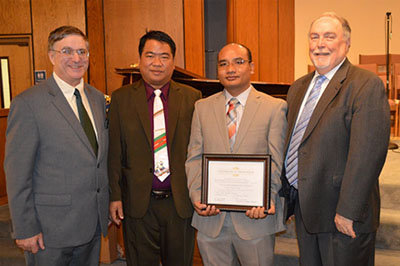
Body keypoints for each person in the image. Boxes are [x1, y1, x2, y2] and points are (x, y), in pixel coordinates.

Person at [280, 12, 390, 266]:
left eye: (329, 36)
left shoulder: (365, 84)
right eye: (314, 36)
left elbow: (367, 155)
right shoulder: (298, 87)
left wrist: (347, 211)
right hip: (306, 210)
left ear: (347, 43)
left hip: (340, 214)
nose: (320, 43)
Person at [4, 26, 109, 265]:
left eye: (82, 51)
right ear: (51, 56)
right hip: (50, 231)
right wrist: (25, 227)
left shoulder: (97, 98)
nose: (76, 58)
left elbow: (97, 159)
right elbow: (17, 173)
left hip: (92, 224)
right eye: (67, 51)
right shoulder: (28, 104)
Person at [185, 43, 287, 266]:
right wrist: (197, 195)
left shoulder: (274, 107)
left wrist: (266, 197)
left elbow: (276, 160)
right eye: (223, 64)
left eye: (238, 62)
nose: (230, 68)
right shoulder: (202, 108)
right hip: (211, 219)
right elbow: (194, 157)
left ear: (251, 67)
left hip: (255, 219)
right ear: (217, 70)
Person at [108, 30, 202, 266]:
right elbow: (114, 152)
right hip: (139, 203)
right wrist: (115, 196)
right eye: (150, 55)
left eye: (165, 56)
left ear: (173, 61)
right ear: (140, 59)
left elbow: (201, 150)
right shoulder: (121, 99)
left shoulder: (192, 98)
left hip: (180, 203)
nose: (157, 63)